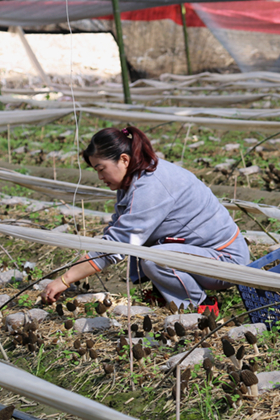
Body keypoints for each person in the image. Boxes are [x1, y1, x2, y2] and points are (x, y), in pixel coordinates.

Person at [42, 126, 248, 315]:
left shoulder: (151, 185)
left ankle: (199, 306)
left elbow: (118, 244)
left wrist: (65, 280)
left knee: (154, 259)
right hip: (202, 254)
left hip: (226, 260)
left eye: (101, 168)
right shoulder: (136, 178)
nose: (99, 176)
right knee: (148, 251)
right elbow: (116, 229)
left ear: (123, 159)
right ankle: (169, 294)